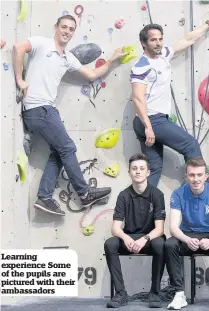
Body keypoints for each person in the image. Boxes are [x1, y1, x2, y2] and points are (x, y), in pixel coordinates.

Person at [13, 15, 127, 216]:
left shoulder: (67, 57)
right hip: (38, 109)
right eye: (63, 27)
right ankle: (84, 194)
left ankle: (45, 197)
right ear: (56, 27)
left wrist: (111, 59)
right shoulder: (42, 43)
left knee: (60, 151)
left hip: (45, 110)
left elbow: (91, 75)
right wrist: (20, 80)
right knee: (67, 148)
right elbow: (18, 47)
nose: (66, 31)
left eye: (71, 29)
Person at [130, 20, 209, 187]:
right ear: (143, 43)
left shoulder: (163, 55)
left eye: (160, 39)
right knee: (190, 145)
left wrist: (207, 24)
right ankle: (202, 191)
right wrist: (148, 126)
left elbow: (186, 40)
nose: (158, 43)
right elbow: (137, 98)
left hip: (151, 120)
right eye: (153, 40)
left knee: (154, 167)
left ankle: (144, 208)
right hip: (151, 119)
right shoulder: (141, 66)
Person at [165, 157, 209, 310]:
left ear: (206, 176)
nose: (196, 179)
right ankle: (179, 294)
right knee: (170, 244)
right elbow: (173, 228)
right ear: (186, 176)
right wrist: (187, 239)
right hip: (188, 235)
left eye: (199, 175)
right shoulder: (177, 194)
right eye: (192, 175)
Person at [104, 153, 166, 308]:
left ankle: (155, 292)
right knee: (110, 244)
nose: (138, 171)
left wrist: (144, 239)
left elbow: (159, 229)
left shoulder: (157, 194)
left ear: (148, 172)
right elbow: (115, 228)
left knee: (161, 244)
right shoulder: (123, 195)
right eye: (134, 168)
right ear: (129, 172)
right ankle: (120, 293)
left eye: (141, 168)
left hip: (150, 238)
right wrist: (125, 238)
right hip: (130, 238)